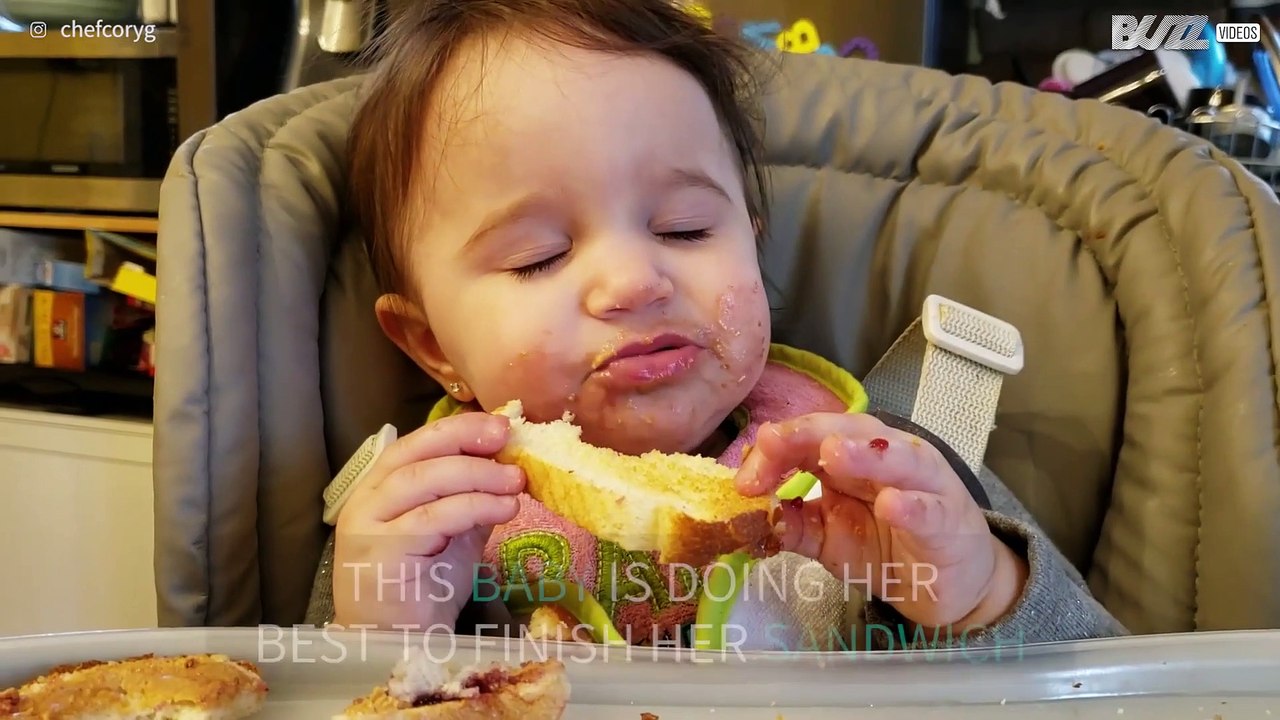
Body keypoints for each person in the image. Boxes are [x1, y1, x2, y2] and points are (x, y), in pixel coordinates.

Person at [305, 0, 1128, 650]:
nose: (635, 281)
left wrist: (980, 597)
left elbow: (1110, 678)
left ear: (751, 246)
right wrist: (378, 638)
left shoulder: (884, 471)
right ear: (433, 347)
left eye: (686, 230)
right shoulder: (412, 517)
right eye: (538, 257)